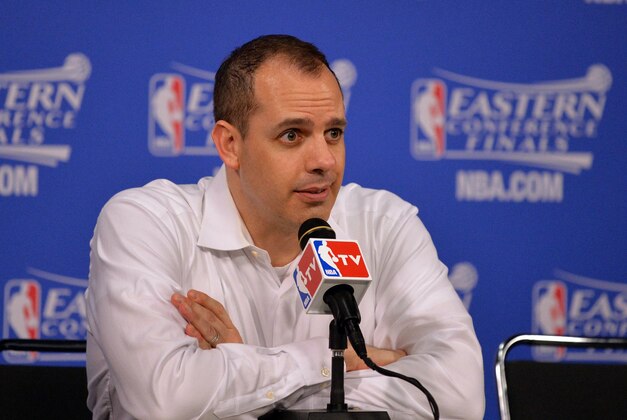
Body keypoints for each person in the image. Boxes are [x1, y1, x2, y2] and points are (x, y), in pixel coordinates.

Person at [85, 34, 484, 419]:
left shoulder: (384, 224)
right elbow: (165, 404)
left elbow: (458, 398)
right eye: (292, 135)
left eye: (334, 133)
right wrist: (334, 361)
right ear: (230, 145)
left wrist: (241, 377)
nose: (324, 160)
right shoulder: (145, 222)